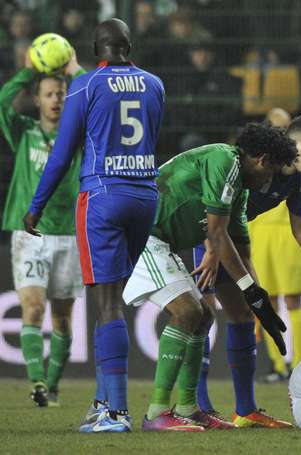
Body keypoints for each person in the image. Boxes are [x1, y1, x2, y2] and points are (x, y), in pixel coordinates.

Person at [24, 19, 165, 433]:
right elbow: (151, 137)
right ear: (129, 45)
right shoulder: (155, 84)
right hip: (144, 195)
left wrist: (36, 206)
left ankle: (115, 413)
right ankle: (104, 400)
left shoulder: (86, 85)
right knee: (114, 298)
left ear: (96, 48)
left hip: (102, 196)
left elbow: (62, 154)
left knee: (105, 304)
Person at [122, 122, 296, 431]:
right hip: (141, 233)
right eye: (272, 171)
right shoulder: (224, 161)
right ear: (262, 159)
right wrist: (249, 289)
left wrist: (258, 299)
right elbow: (217, 235)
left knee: (203, 315)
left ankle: (188, 408)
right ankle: (156, 414)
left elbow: (241, 249)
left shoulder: (240, 187)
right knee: (188, 311)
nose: (271, 180)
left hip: (161, 242)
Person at [192, 116, 301, 428]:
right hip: (200, 233)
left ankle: (246, 409)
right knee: (203, 314)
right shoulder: (251, 165)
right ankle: (198, 405)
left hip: (231, 239)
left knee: (242, 315)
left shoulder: (299, 180)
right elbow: (213, 210)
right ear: (288, 143)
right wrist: (211, 248)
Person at [0, 50, 85, 407]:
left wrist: (76, 71)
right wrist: (28, 69)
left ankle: (51, 385)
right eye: (49, 94)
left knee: (63, 319)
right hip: (29, 235)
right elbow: (3, 101)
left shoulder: (80, 135)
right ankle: (36, 381)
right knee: (33, 307)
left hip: (69, 233)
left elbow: (97, 100)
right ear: (36, 99)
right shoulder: (24, 132)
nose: (56, 100)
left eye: (62, 94)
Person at [249, 108, 301, 383]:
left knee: (293, 299)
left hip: (288, 233)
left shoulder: (300, 160)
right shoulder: (256, 159)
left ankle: (299, 366)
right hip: (259, 233)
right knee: (268, 301)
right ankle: (278, 365)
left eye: (285, 128)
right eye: (275, 127)